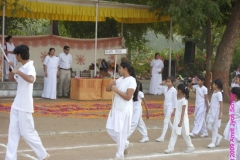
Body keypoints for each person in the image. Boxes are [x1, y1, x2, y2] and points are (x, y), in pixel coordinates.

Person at [5, 45, 50, 160]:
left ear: (19, 55)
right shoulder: (22, 68)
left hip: (25, 106)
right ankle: (10, 158)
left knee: (27, 133)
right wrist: (11, 69)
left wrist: (18, 72)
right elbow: (11, 78)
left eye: (16, 55)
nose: (16, 57)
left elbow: (31, 79)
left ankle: (42, 154)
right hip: (16, 105)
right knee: (13, 133)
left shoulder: (30, 67)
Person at [106, 61, 137, 159]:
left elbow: (128, 97)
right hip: (116, 108)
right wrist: (112, 84)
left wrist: (117, 90)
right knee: (109, 128)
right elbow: (107, 89)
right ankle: (126, 144)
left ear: (125, 69)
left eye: (120, 68)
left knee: (121, 132)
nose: (119, 70)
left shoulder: (131, 80)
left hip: (124, 109)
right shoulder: (119, 79)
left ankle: (119, 155)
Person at [164, 84, 195, 154]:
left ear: (180, 91)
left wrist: (181, 121)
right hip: (177, 119)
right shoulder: (179, 98)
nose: (177, 91)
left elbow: (183, 112)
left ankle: (190, 146)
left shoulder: (184, 100)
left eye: (178, 90)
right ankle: (170, 148)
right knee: (174, 133)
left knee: (185, 134)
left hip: (182, 120)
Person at [156, 76, 177, 142]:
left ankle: (162, 137)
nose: (167, 83)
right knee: (168, 122)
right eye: (167, 81)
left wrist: (174, 109)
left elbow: (175, 100)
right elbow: (157, 86)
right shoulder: (165, 88)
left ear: (172, 83)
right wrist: (162, 83)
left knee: (166, 121)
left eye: (169, 82)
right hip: (165, 106)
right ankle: (175, 132)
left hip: (170, 107)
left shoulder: (174, 90)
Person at [223, 87, 240, 159]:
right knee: (234, 145)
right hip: (232, 125)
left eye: (231, 94)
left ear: (235, 95)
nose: (230, 95)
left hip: (237, 125)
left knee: (234, 146)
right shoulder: (233, 103)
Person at [206, 79, 223, 148]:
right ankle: (218, 136)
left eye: (214, 84)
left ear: (217, 85)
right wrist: (209, 107)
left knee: (215, 127)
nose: (212, 85)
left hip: (216, 111)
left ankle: (213, 142)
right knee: (209, 125)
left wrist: (220, 113)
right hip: (211, 111)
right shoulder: (214, 92)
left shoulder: (219, 93)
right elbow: (212, 101)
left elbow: (221, 103)